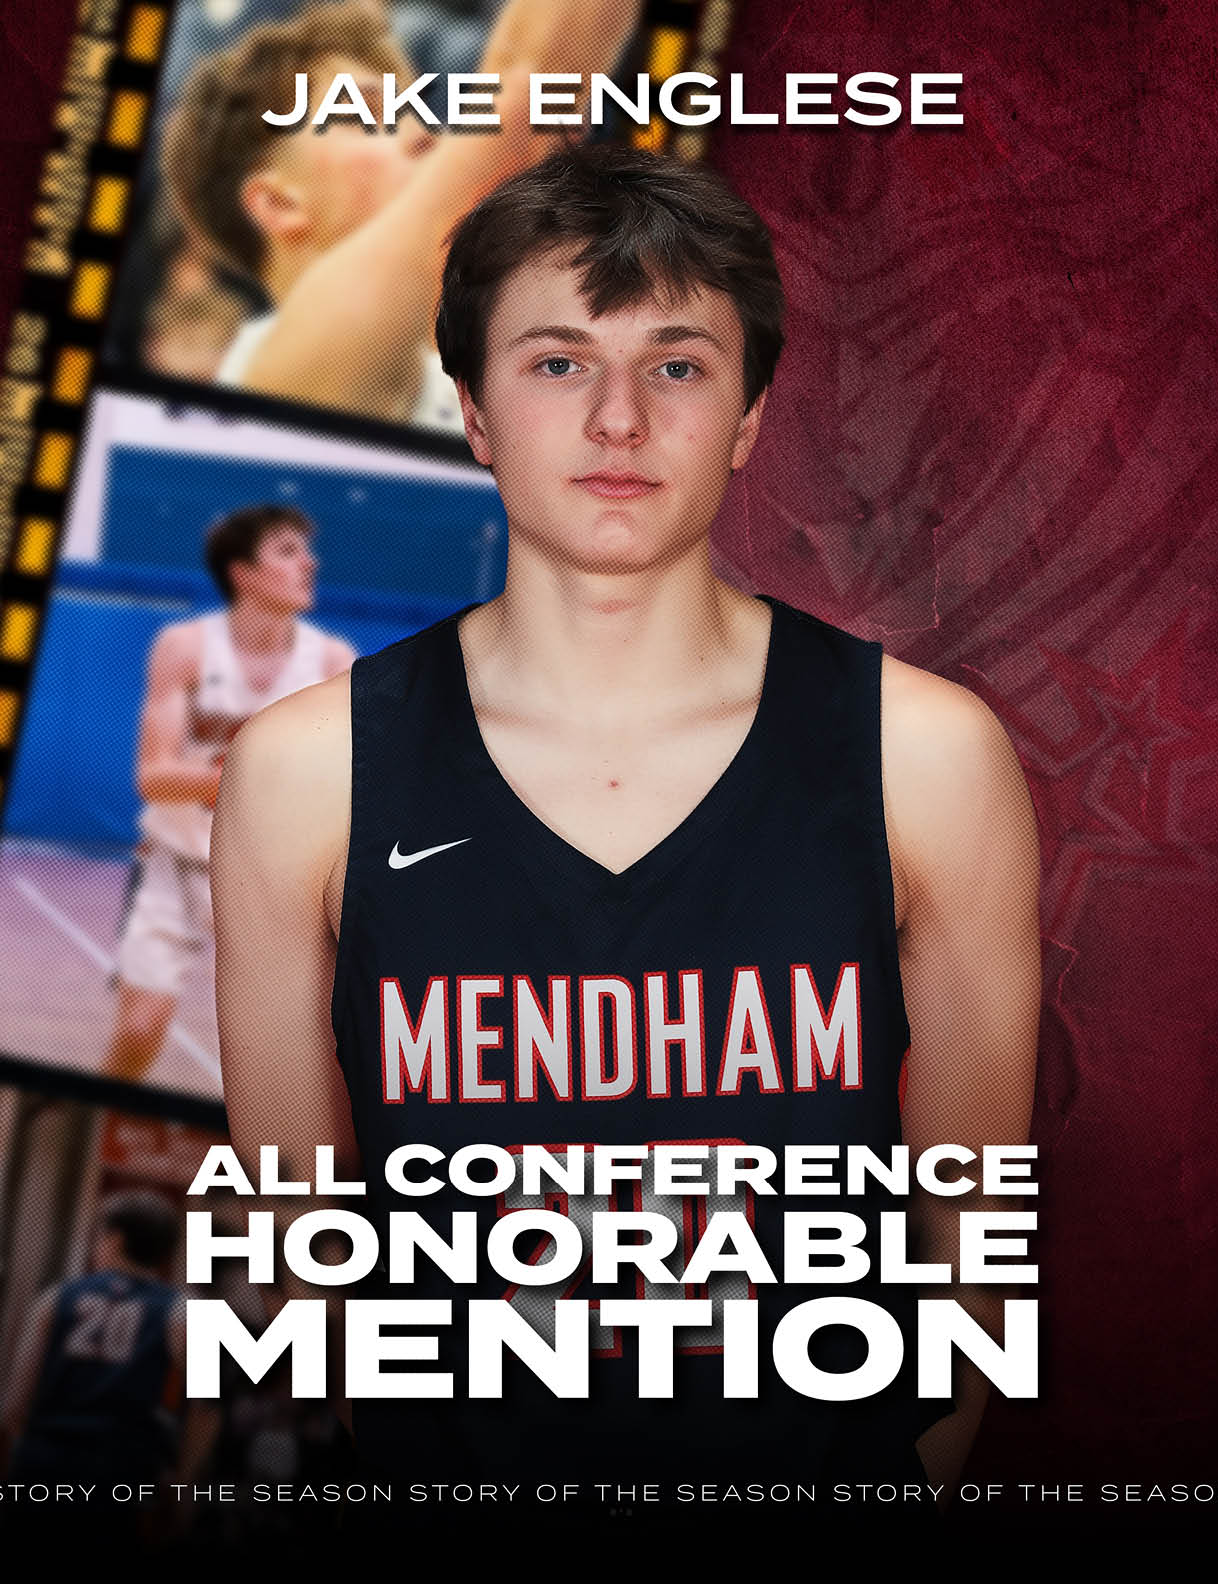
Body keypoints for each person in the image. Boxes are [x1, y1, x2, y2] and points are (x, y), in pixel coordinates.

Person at [211, 145, 1041, 1524]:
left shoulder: (927, 755)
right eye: (554, 363)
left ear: (751, 416)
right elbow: (298, 1255)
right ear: (472, 411)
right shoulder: (306, 773)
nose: (615, 419)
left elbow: (977, 1245)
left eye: (675, 365)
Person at [163, 0, 642, 427]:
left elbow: (531, 96)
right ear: (281, 203)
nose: (424, 134)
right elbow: (527, 85)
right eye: (368, 116)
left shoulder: (458, 363)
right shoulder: (286, 369)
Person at [103, 505, 355, 1085]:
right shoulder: (186, 647)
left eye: (306, 551)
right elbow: (154, 776)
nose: (308, 563)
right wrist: (259, 777)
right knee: (139, 1033)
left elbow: (343, 783)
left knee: (294, 1063)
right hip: (176, 860)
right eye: (288, 551)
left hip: (272, 881)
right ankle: (86, 1133)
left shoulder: (333, 662)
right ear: (243, 573)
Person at [1, 1190, 217, 1491]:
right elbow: (205, 1411)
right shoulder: (183, 1313)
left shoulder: (56, 1298)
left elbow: (14, 1405)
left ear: (115, 1240)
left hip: (42, 1466)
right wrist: (181, 1483)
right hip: (121, 1479)